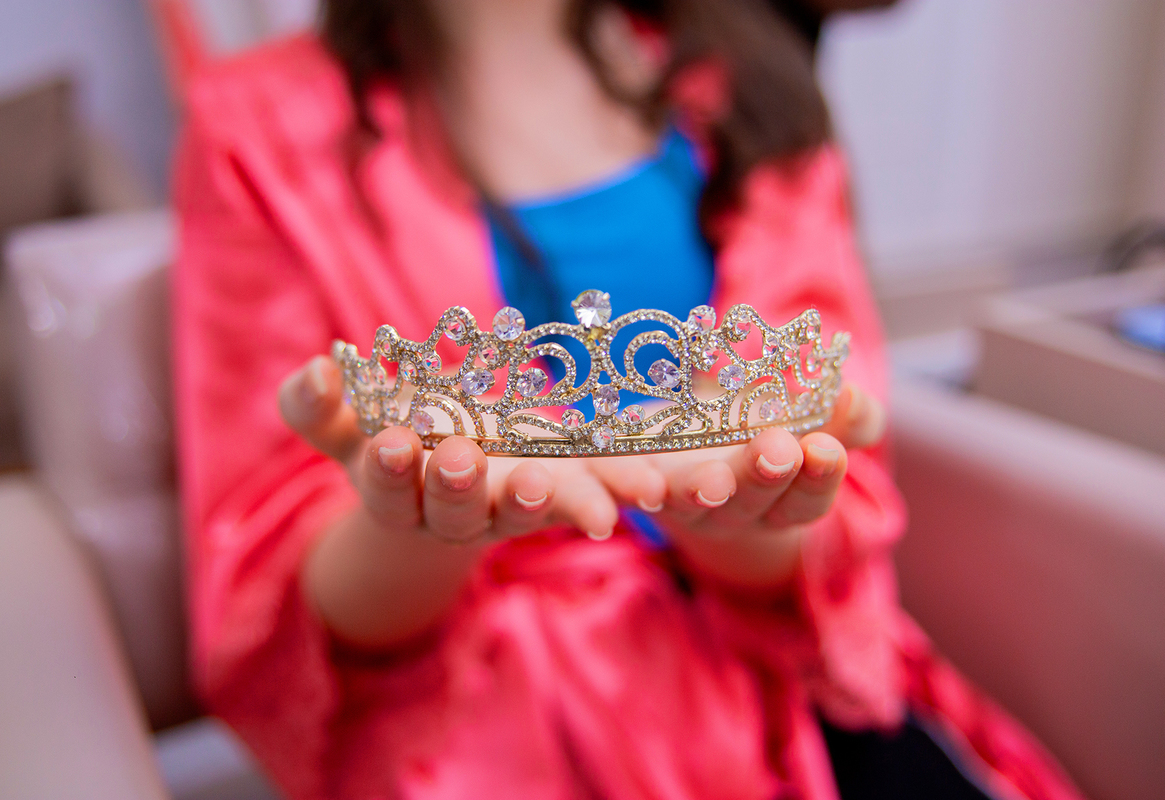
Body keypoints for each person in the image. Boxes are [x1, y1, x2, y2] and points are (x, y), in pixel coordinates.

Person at [173, 1, 1084, 798]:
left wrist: (735, 518)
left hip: (765, 684)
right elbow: (272, 594)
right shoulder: (255, 133)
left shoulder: (745, 90)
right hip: (483, 732)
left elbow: (823, 513)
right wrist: (416, 523)